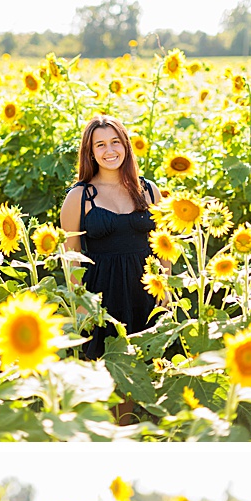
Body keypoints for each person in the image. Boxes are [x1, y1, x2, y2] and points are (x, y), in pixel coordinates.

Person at [58, 115, 162, 363]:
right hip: (102, 297)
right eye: (100, 144)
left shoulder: (149, 190)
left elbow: (163, 245)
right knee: (110, 372)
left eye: (115, 142)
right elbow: (70, 257)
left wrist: (165, 288)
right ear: (90, 152)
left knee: (148, 371)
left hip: (146, 291)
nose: (110, 150)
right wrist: (81, 304)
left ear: (126, 146)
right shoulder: (79, 197)